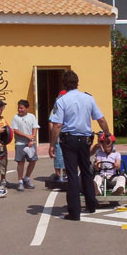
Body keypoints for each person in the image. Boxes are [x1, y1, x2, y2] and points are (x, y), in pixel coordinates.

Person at [49, 70, 112, 221]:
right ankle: (91, 205)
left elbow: (57, 125)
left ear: (64, 84)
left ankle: (74, 212)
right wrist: (107, 134)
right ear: (77, 82)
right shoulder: (88, 98)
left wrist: (52, 144)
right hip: (85, 139)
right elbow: (101, 119)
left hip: (69, 139)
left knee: (72, 175)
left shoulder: (61, 100)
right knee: (86, 171)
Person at [11, 99, 40, 191]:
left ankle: (26, 178)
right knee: (21, 162)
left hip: (31, 143)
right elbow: (15, 130)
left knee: (33, 161)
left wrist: (32, 138)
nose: (20, 110)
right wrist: (27, 136)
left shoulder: (32, 116)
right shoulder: (15, 118)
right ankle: (20, 181)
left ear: (27, 108)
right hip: (20, 143)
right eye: (19, 108)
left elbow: (35, 127)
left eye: (22, 108)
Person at [49, 90, 67, 181]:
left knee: (66, 155)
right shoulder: (55, 109)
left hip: (67, 134)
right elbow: (51, 122)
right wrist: (53, 134)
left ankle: (65, 173)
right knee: (58, 154)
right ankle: (58, 174)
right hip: (58, 135)